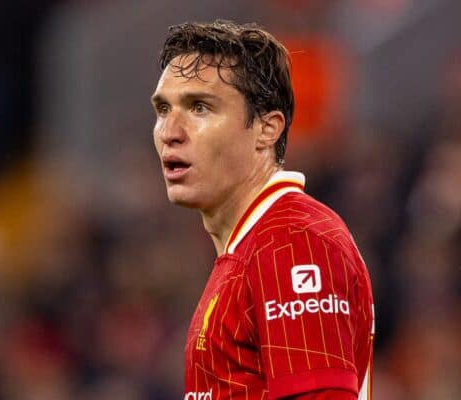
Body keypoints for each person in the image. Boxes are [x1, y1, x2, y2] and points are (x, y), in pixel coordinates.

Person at [150, 20, 374, 400]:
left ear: (267, 129)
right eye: (163, 109)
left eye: (199, 107)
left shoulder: (294, 241)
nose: (170, 130)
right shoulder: (253, 246)